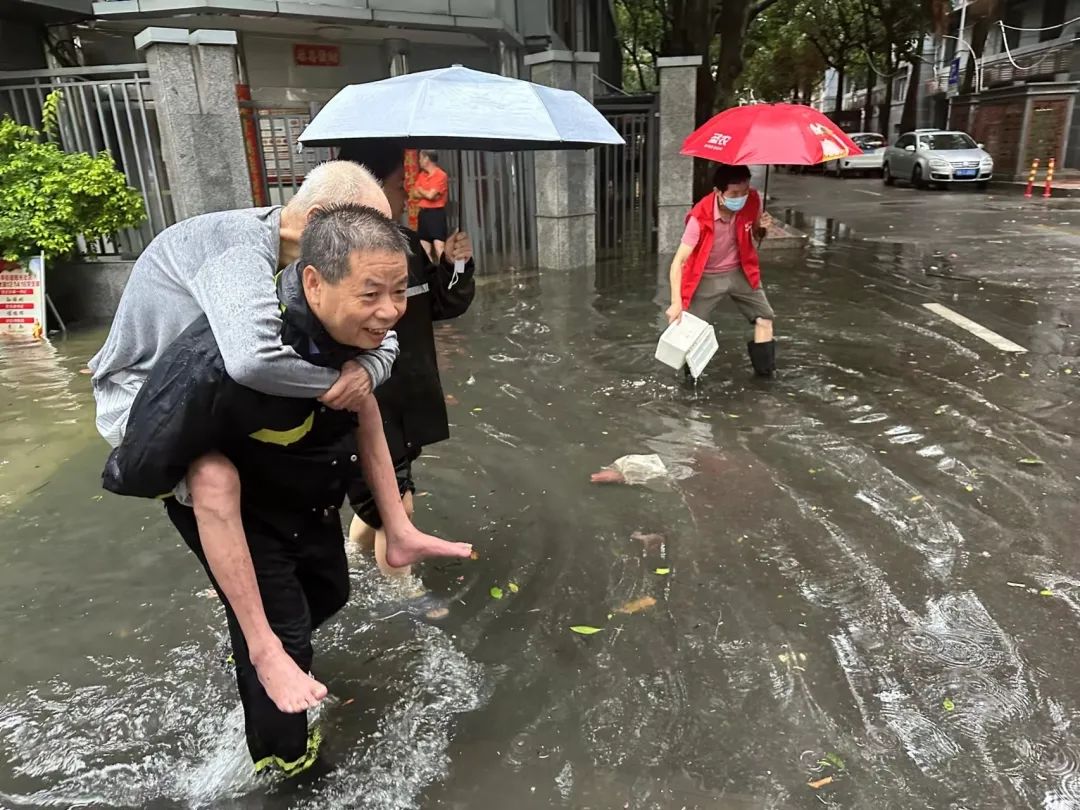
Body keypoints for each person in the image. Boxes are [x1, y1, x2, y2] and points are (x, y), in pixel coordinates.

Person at [88, 161, 470, 721]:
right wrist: (344, 384)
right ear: (318, 223)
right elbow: (252, 359)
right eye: (361, 231)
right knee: (215, 478)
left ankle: (393, 536)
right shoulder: (240, 253)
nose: (375, 246)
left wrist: (364, 375)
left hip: (226, 400)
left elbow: (380, 345)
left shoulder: (301, 261)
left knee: (322, 575)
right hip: (148, 404)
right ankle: (263, 651)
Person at [337, 141, 476, 577]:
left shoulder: (408, 245)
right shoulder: (333, 255)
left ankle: (347, 565)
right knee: (399, 508)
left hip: (405, 400)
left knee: (385, 503)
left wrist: (455, 263)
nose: (405, 197)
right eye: (400, 186)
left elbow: (441, 304)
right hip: (364, 403)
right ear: (370, 189)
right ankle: (406, 610)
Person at [665, 163, 777, 377]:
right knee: (691, 332)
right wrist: (676, 302)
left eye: (744, 191)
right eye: (734, 193)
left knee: (765, 318)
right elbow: (678, 261)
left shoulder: (753, 200)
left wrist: (762, 228)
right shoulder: (699, 217)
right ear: (718, 192)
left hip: (741, 271)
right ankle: (691, 384)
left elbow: (755, 234)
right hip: (707, 276)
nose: (741, 197)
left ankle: (766, 378)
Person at [411, 149, 450, 261]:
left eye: (420, 158)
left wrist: (421, 190)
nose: (419, 161)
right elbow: (414, 193)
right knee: (424, 249)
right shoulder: (421, 175)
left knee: (439, 247)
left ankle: (446, 274)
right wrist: (426, 193)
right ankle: (430, 275)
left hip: (436, 214)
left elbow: (430, 196)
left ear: (427, 159)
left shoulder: (440, 175)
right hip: (423, 213)